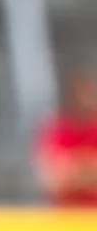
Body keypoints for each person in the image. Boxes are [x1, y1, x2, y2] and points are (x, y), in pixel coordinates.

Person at [35, 70, 97, 207]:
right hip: (64, 217)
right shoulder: (55, 130)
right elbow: (52, 179)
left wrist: (74, 169)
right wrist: (87, 169)